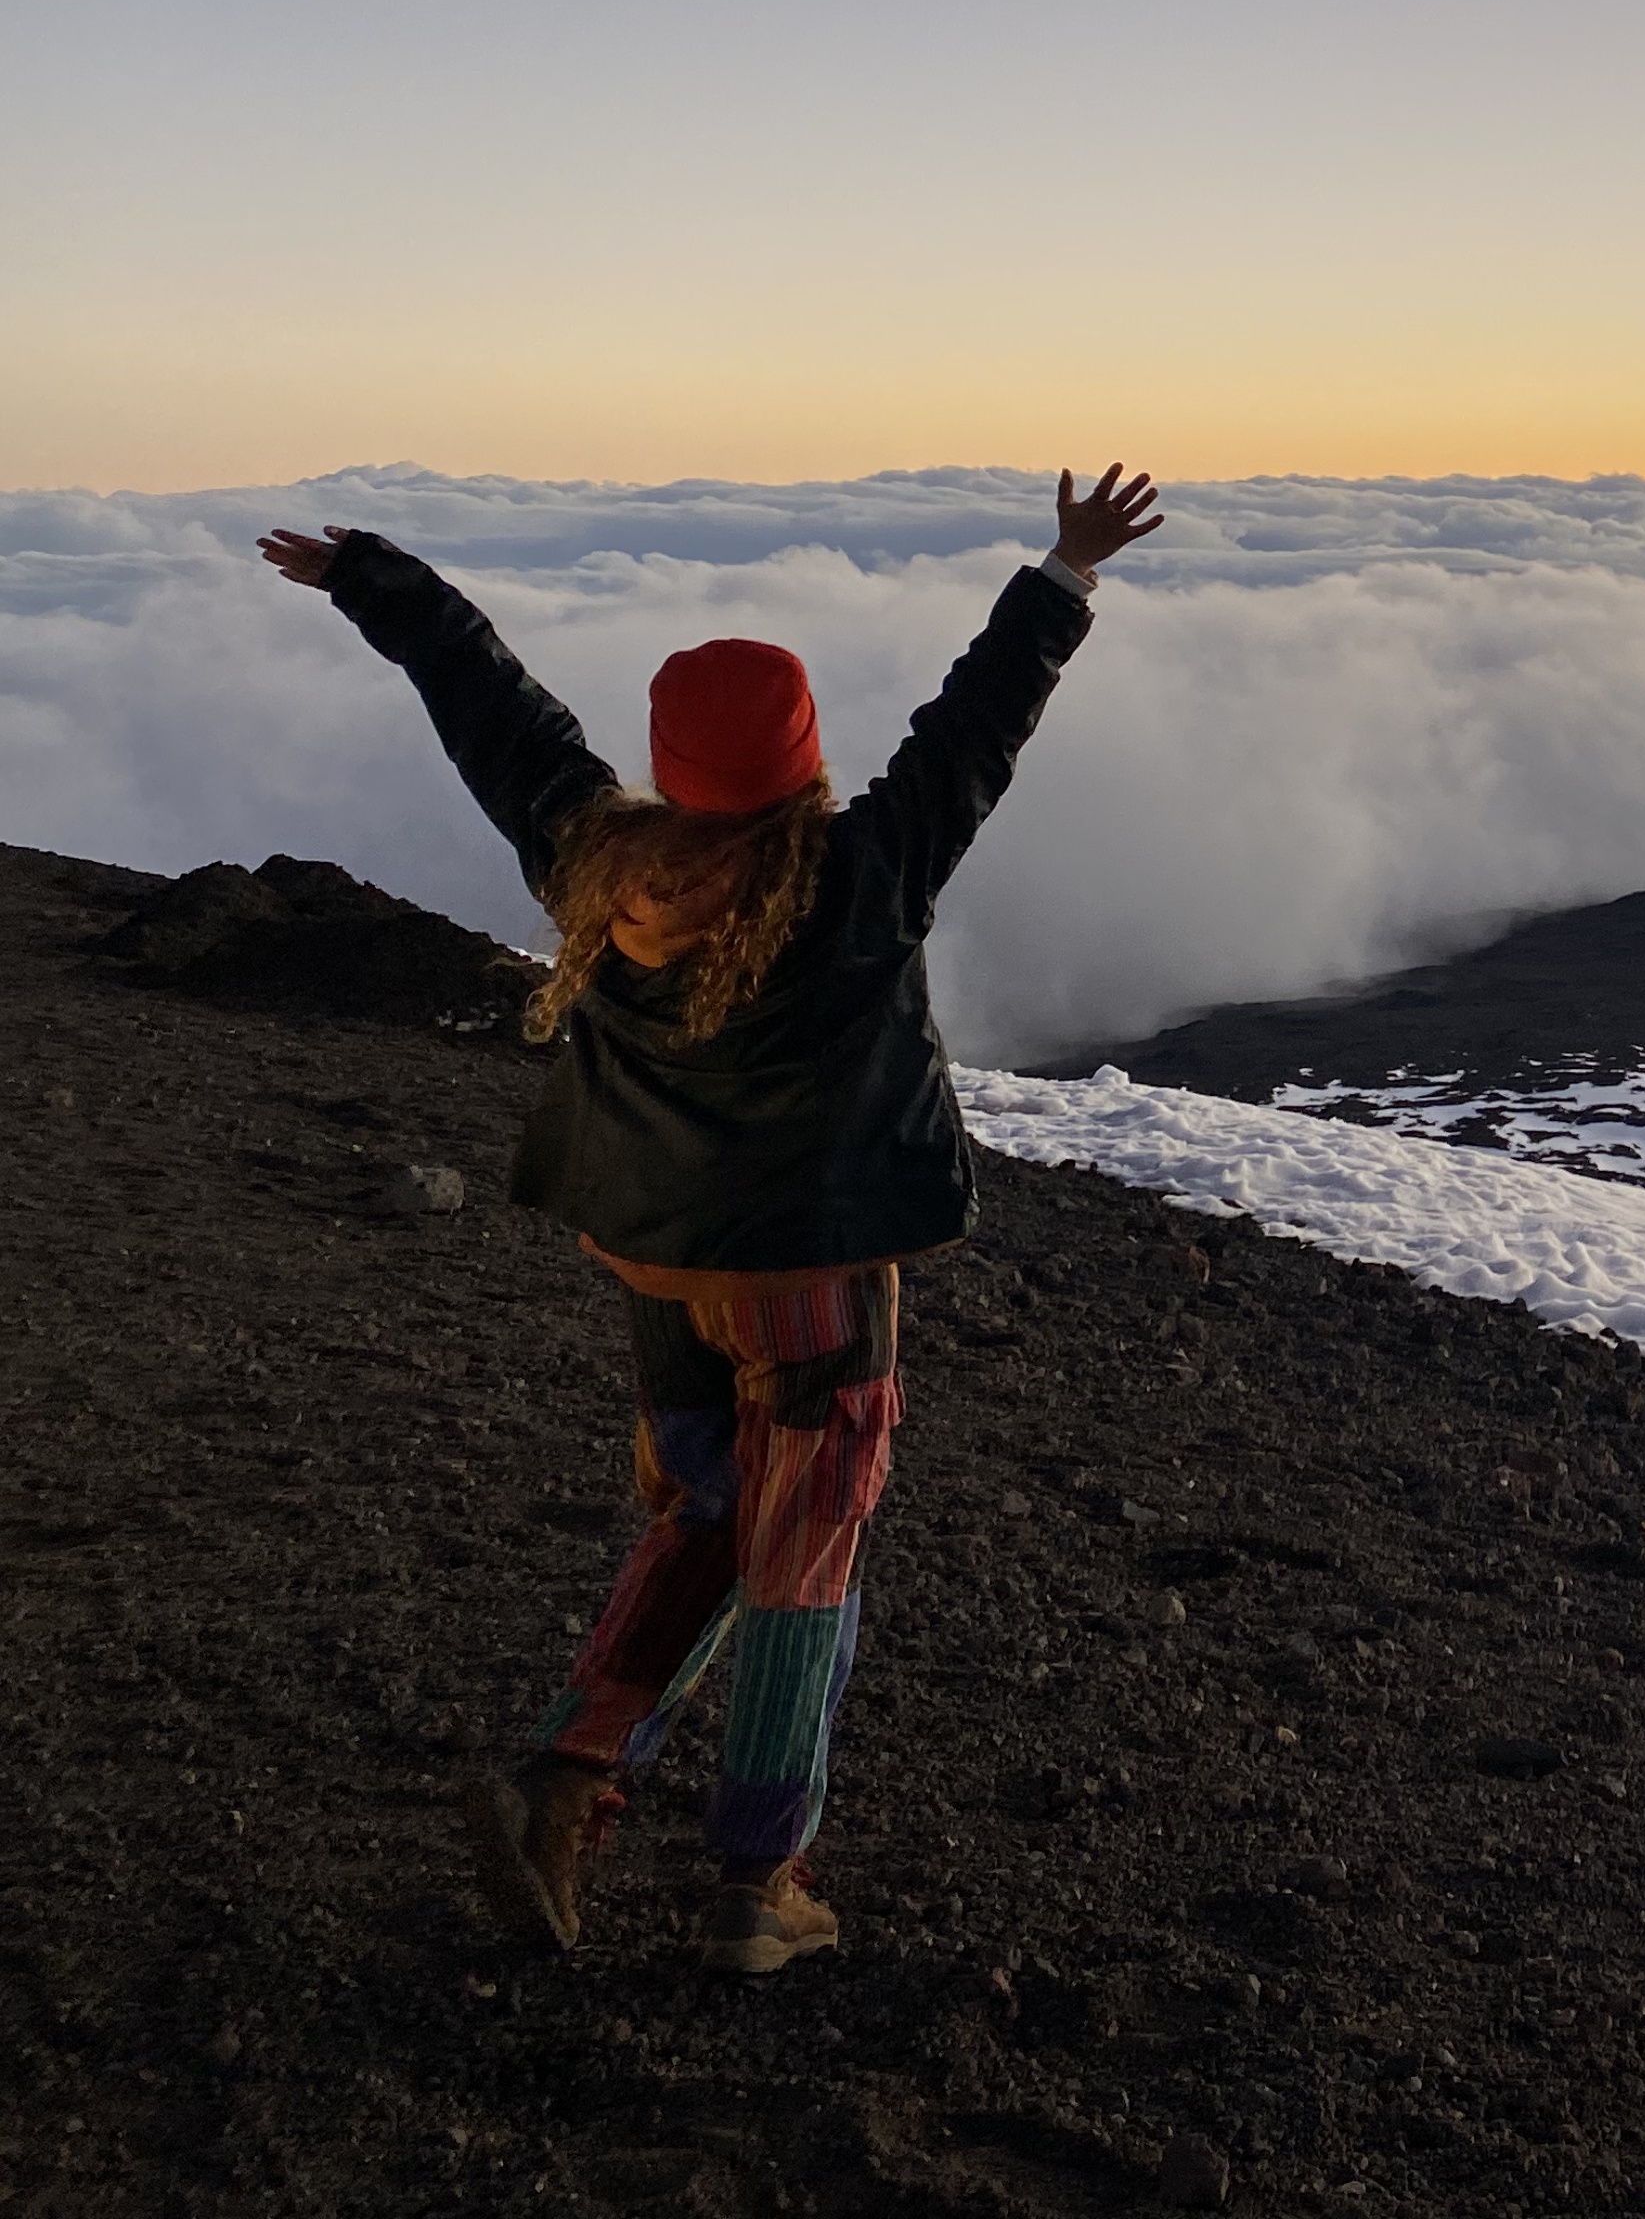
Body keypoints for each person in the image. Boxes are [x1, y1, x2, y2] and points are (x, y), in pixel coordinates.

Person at [261, 466, 1163, 1973]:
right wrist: (1068, 570)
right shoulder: (860, 880)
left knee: (700, 1512)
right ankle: (764, 1876)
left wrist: (375, 578)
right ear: (805, 763)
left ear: (676, 767)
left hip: (657, 1268)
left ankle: (569, 1772)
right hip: (808, 1282)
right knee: (803, 1555)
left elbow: (497, 713)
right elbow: (975, 730)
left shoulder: (591, 856)